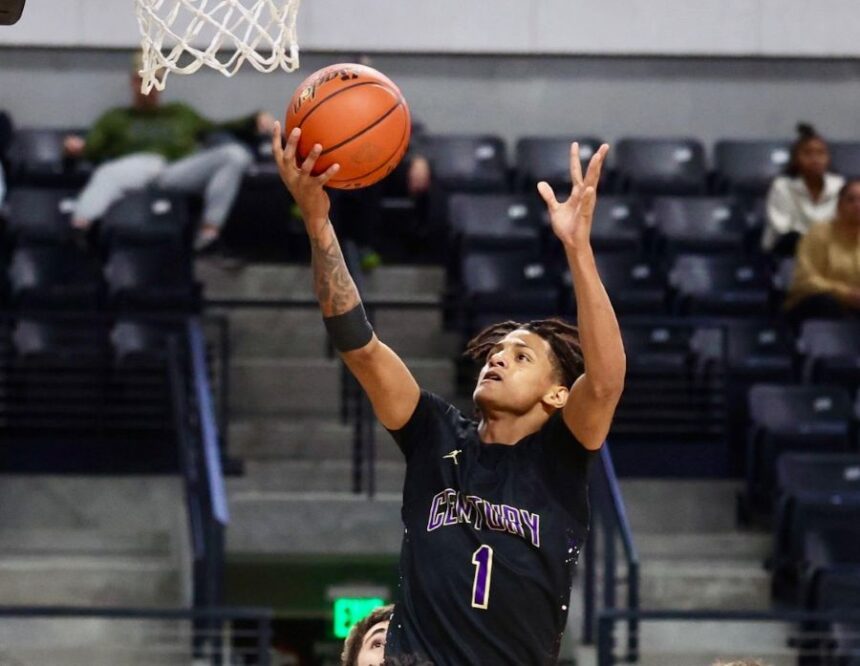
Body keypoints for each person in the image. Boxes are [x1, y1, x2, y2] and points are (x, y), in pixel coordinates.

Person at [273, 123, 625, 664]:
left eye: (521, 355)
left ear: (557, 395)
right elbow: (359, 346)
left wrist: (577, 249)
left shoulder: (559, 459)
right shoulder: (434, 436)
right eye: (496, 351)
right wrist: (319, 223)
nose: (498, 357)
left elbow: (604, 381)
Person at [64, 56, 275, 251]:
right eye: (142, 80)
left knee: (235, 154)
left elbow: (218, 128)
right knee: (109, 172)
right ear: (133, 82)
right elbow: (92, 150)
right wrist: (74, 148)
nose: (148, 86)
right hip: (133, 169)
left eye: (154, 80)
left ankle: (209, 234)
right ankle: (80, 226)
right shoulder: (116, 118)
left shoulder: (180, 113)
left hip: (176, 171)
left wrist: (253, 120)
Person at [762, 123, 845, 256]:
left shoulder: (839, 186)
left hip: (829, 251)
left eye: (820, 153)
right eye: (807, 153)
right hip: (789, 252)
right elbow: (781, 229)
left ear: (828, 158)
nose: (815, 159)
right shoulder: (782, 186)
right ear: (795, 159)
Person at [784, 178, 860, 324]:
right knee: (829, 303)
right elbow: (806, 280)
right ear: (839, 206)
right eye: (851, 200)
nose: (858, 205)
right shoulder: (819, 233)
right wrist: (846, 294)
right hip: (817, 301)